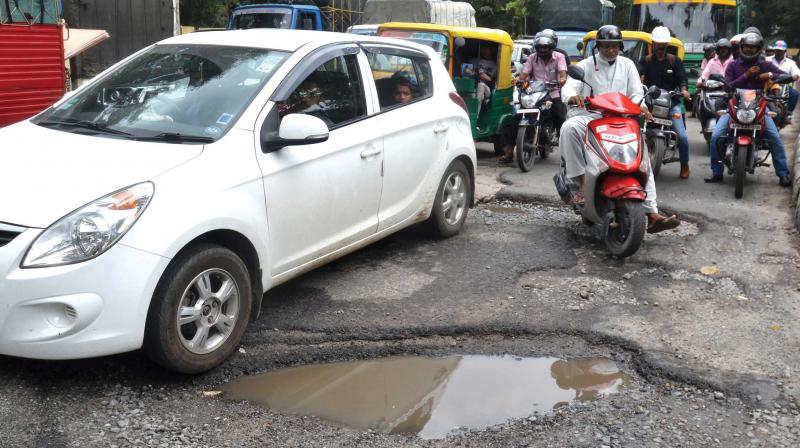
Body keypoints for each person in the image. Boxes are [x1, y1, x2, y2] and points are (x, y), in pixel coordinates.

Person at [560, 25, 680, 233]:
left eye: (614, 46)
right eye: (606, 46)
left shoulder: (628, 65)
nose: (611, 50)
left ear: (620, 47)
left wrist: (639, 105)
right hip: (590, 116)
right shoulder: (586, 65)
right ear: (598, 46)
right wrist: (572, 96)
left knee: (641, 158)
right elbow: (569, 86)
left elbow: (635, 92)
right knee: (569, 128)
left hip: (621, 117)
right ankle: (581, 184)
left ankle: (651, 213)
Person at [705, 32, 790, 186]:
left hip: (758, 108)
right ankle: (716, 172)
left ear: (758, 48)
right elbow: (727, 86)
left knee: (775, 138)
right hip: (735, 107)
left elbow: (785, 75)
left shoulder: (764, 64)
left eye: (753, 47)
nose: (750, 49)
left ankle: (783, 174)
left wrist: (769, 74)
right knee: (716, 136)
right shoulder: (733, 65)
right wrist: (745, 75)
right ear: (742, 47)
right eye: (747, 46)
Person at [498, 33, 567, 163]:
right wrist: (519, 81)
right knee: (515, 119)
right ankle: (509, 152)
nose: (542, 50)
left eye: (545, 47)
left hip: (552, 92)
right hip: (534, 93)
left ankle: (566, 153)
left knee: (560, 118)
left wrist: (562, 79)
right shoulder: (531, 58)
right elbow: (524, 74)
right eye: (540, 47)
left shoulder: (559, 57)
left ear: (551, 47)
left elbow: (563, 73)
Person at [639, 26, 691, 179]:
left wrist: (684, 89)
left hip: (671, 104)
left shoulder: (675, 61)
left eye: (663, 45)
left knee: (681, 136)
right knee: (633, 128)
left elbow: (682, 79)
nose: (660, 48)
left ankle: (685, 164)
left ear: (667, 45)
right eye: (658, 44)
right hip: (649, 104)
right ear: (653, 44)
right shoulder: (645, 61)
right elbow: (636, 73)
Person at [766, 40, 800, 119]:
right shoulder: (767, 60)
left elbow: (797, 74)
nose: (778, 52)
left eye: (780, 51)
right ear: (774, 50)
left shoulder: (790, 63)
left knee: (795, 94)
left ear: (785, 51)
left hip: (785, 86)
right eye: (777, 50)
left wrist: (794, 77)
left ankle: (788, 113)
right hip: (769, 85)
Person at [468, 45, 498, 116]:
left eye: (487, 49)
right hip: (472, 86)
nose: (485, 51)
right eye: (483, 49)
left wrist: (485, 77)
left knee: (481, 86)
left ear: (492, 51)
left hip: (487, 89)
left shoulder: (496, 65)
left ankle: (475, 117)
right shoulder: (474, 60)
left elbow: (493, 80)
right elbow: (467, 70)